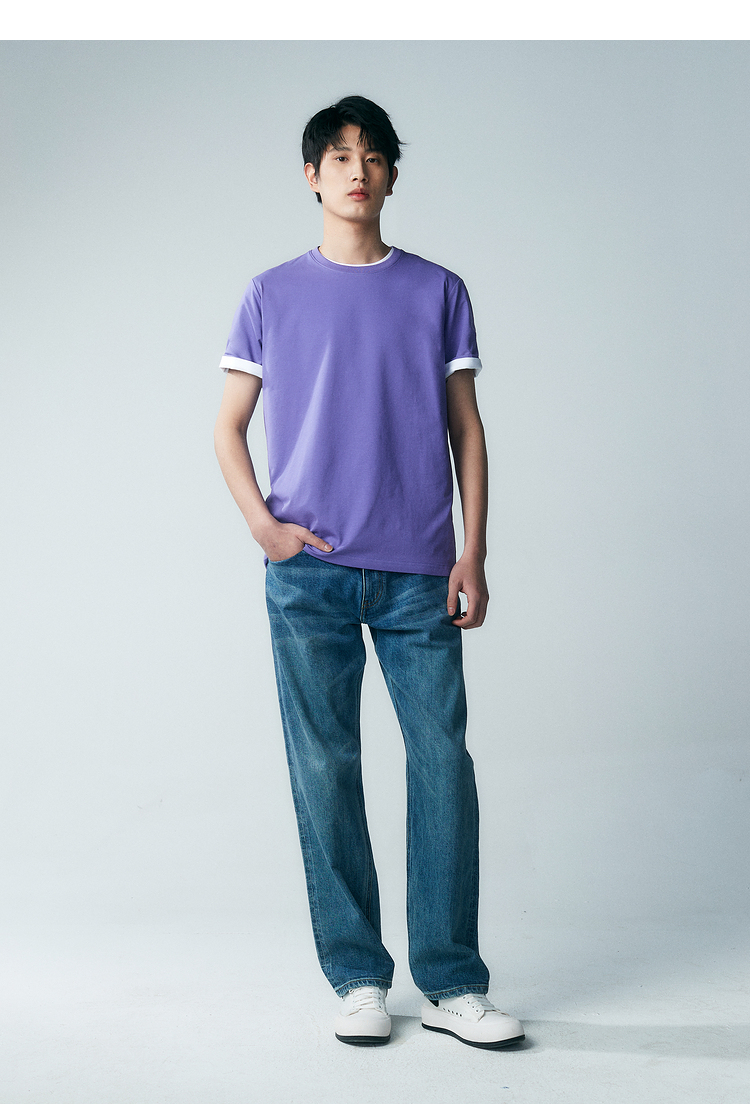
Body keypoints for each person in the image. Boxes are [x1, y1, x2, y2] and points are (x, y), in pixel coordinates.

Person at [213, 95, 524, 1050]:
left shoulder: (438, 290)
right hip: (308, 573)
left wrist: (472, 550)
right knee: (325, 768)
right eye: (340, 157)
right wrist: (264, 526)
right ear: (312, 176)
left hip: (420, 568)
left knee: (442, 765)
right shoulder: (270, 294)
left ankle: (452, 982)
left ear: (392, 174)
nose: (357, 170)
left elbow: (466, 429)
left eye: (374, 156)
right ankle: (357, 978)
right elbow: (227, 427)